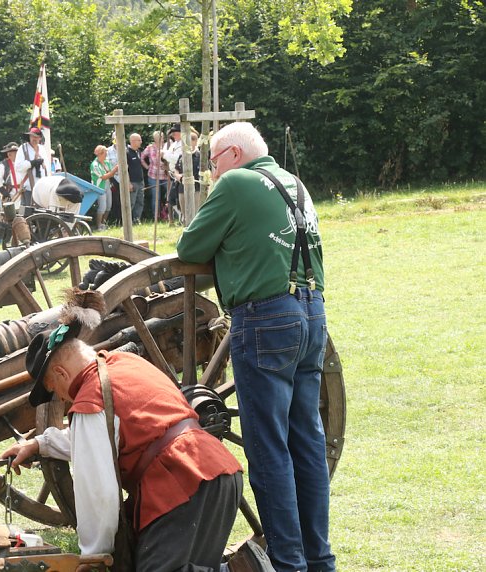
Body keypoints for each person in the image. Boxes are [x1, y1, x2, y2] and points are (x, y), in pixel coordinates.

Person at [176, 121, 335, 572]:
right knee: (306, 440)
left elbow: (190, 246)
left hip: (265, 318)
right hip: (311, 312)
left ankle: (288, 564)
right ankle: (320, 560)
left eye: (212, 163)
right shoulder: (295, 184)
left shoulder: (238, 183)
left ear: (231, 154)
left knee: (268, 448)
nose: (211, 174)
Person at [0, 290, 243, 571]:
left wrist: (93, 556)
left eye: (56, 391)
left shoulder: (91, 400)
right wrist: (40, 444)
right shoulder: (125, 363)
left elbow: (99, 493)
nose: (63, 399)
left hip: (181, 485)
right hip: (219, 473)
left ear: (62, 375)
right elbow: (106, 436)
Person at [14, 127, 51, 207]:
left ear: (40, 138)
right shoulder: (23, 148)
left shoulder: (42, 149)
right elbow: (18, 167)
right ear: (29, 137)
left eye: (36, 137)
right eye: (32, 136)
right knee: (28, 213)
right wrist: (32, 163)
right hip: (28, 188)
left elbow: (47, 168)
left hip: (42, 188)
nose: (34, 139)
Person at [141, 131, 169, 222]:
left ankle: (170, 216)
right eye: (158, 137)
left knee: (169, 196)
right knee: (156, 197)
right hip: (153, 176)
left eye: (162, 137)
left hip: (166, 176)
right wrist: (147, 166)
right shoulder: (150, 148)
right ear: (155, 138)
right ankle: (156, 217)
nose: (161, 139)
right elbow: (141, 158)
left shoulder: (167, 146)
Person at [89, 145, 116, 230]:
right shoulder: (95, 165)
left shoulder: (106, 162)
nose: (106, 155)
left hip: (107, 185)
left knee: (109, 206)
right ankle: (98, 226)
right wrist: (115, 169)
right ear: (100, 154)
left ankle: (103, 224)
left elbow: (110, 173)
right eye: (105, 153)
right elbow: (104, 176)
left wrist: (113, 171)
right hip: (99, 187)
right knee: (102, 207)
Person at [126, 133, 145, 224]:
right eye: (139, 140)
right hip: (132, 182)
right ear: (133, 141)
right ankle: (127, 222)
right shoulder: (126, 152)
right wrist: (128, 183)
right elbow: (125, 170)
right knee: (131, 203)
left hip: (140, 181)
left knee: (140, 202)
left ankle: (136, 220)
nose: (141, 142)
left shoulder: (138, 152)